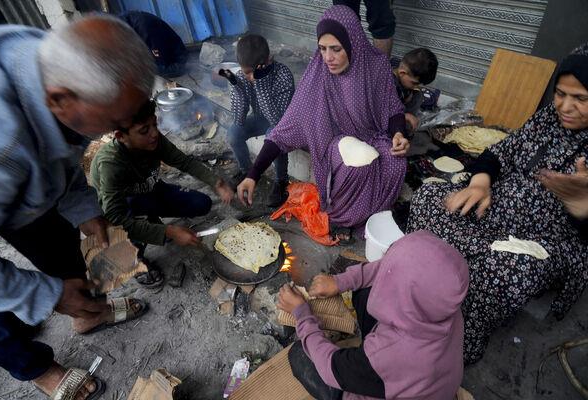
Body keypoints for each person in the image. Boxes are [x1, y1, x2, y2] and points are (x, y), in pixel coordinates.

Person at [0, 16, 156, 399]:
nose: (119, 132)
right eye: (116, 122)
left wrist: (85, 210)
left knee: (61, 241)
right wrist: (45, 295)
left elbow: (62, 149)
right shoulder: (1, 150)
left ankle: (87, 314)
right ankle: (38, 369)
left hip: (15, 177)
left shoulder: (52, 59)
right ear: (60, 100)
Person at [406, 43, 588, 364]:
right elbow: (500, 152)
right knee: (426, 200)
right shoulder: (547, 118)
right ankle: (427, 292)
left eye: (581, 99)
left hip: (547, 242)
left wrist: (580, 205)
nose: (566, 106)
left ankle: (464, 339)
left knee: (502, 272)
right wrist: (480, 181)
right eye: (561, 93)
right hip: (496, 207)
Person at [237, 6, 409, 244]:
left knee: (395, 161)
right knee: (357, 164)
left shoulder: (375, 66)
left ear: (353, 43)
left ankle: (372, 215)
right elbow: (284, 131)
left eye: (336, 49)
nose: (328, 57)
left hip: (373, 135)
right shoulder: (318, 76)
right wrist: (253, 174)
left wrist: (398, 133)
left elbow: (392, 108)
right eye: (322, 49)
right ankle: (342, 219)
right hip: (337, 145)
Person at [278, 231, 469, 400]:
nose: (386, 263)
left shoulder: (388, 354)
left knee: (300, 355)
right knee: (364, 292)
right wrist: (340, 282)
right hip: (432, 382)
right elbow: (387, 268)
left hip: (396, 368)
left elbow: (330, 368)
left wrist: (301, 313)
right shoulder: (444, 303)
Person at [90, 99, 234, 286]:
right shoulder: (110, 164)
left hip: (150, 188)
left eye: (155, 125)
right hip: (123, 204)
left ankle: (151, 220)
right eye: (144, 130)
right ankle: (134, 262)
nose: (154, 134)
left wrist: (217, 182)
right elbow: (115, 217)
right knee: (124, 229)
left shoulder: (154, 141)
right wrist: (169, 231)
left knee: (201, 203)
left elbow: (184, 162)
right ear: (121, 136)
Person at [220, 34, 295, 207]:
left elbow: (278, 122)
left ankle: (281, 181)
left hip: (282, 124)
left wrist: (261, 84)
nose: (246, 77)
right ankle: (246, 171)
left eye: (248, 73)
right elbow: (239, 119)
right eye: (243, 72)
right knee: (233, 132)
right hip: (260, 119)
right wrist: (237, 87)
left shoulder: (283, 75)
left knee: (273, 134)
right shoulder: (245, 76)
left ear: (266, 62)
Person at [118, 10, 188, 78]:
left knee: (151, 72)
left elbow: (160, 59)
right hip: (157, 51)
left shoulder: (143, 27)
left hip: (175, 59)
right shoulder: (123, 22)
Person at [392, 48, 438, 134]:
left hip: (399, 103)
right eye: (414, 83)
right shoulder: (387, 84)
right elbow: (379, 110)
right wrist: (403, 116)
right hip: (385, 113)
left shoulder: (404, 74)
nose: (416, 86)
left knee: (418, 95)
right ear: (402, 73)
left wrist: (410, 91)